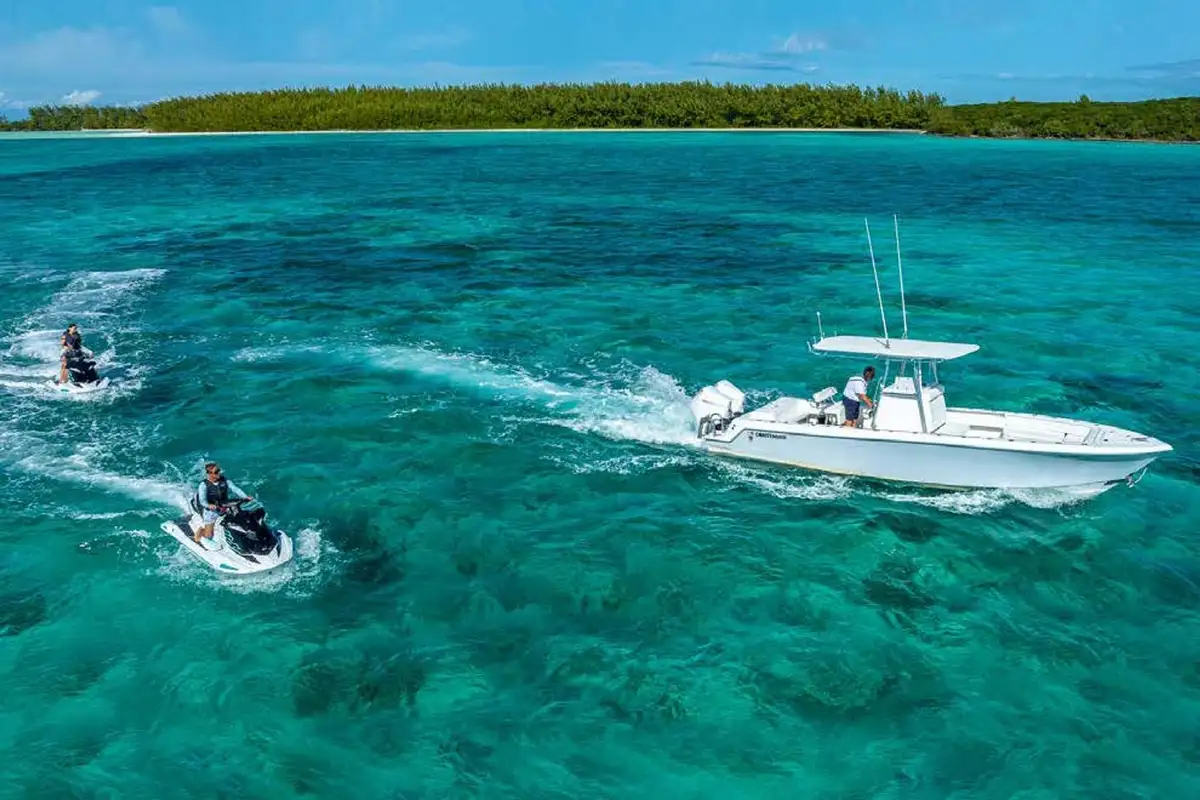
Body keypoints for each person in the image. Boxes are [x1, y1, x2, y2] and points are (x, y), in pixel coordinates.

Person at [196, 462, 254, 543]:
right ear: (209, 474)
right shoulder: (203, 485)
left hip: (225, 507)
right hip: (211, 511)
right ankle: (201, 532)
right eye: (216, 472)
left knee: (241, 519)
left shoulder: (224, 480)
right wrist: (209, 505)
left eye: (219, 470)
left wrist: (245, 497)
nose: (219, 473)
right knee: (209, 535)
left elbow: (235, 489)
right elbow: (202, 501)